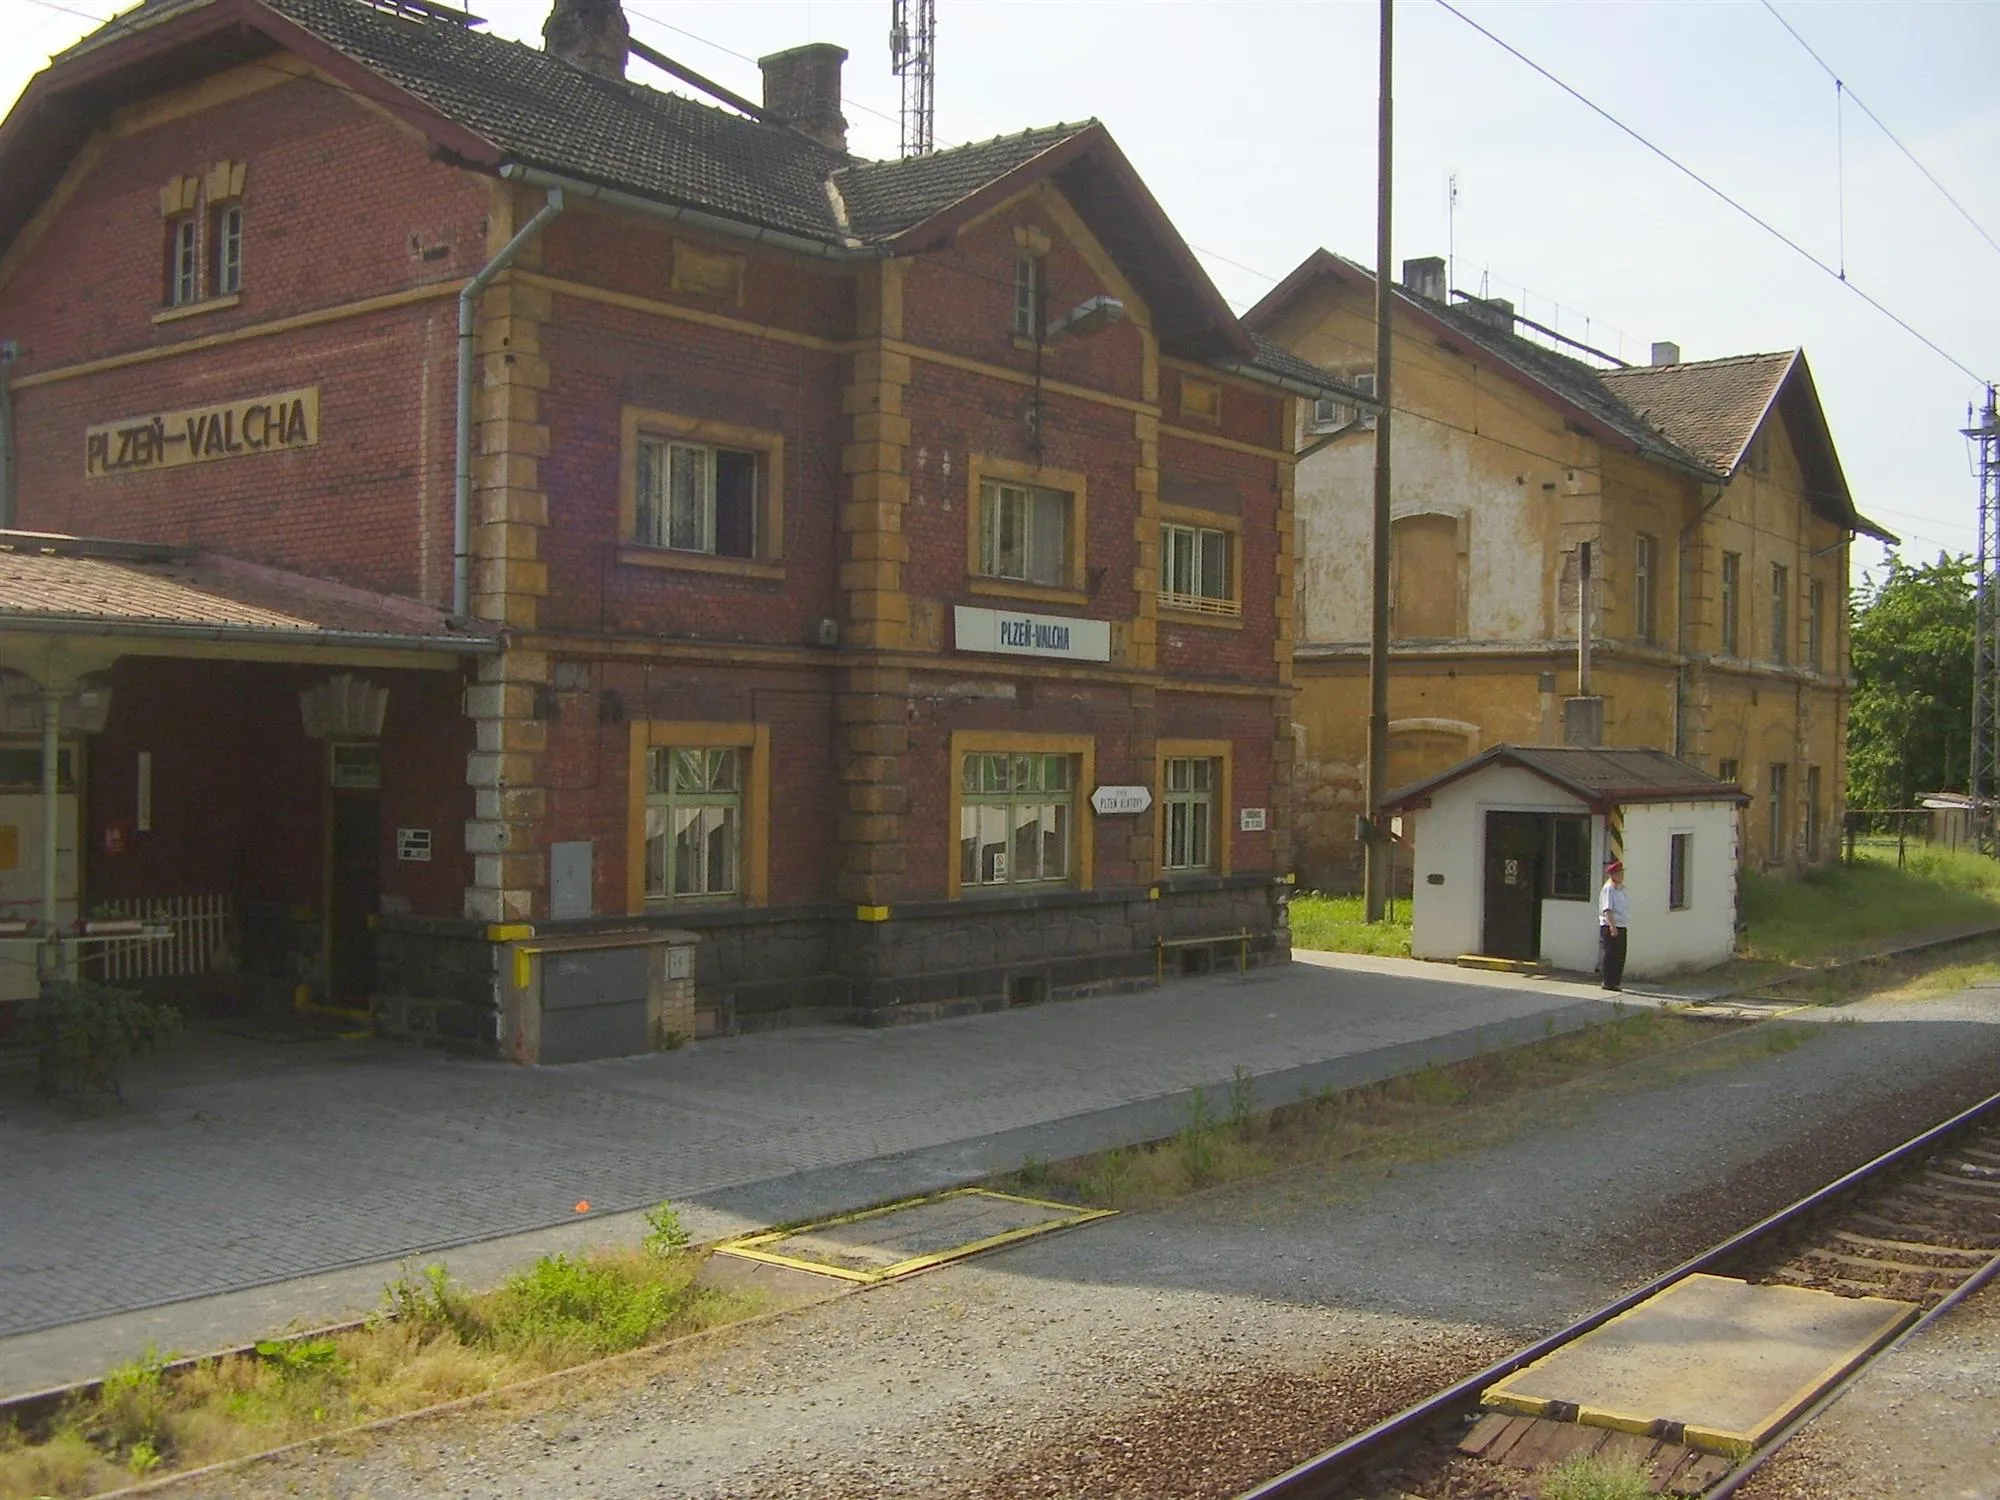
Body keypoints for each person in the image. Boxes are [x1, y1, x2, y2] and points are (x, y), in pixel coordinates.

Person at [1598, 859, 1629, 992]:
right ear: (1613, 875)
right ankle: (1608, 981)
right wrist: (1612, 927)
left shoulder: (1620, 888)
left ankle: (1616, 981)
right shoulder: (1609, 889)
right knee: (1611, 955)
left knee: (1620, 954)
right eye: (1619, 873)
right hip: (1611, 926)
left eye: (1622, 873)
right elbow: (1607, 909)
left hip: (1622, 925)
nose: (1622, 876)